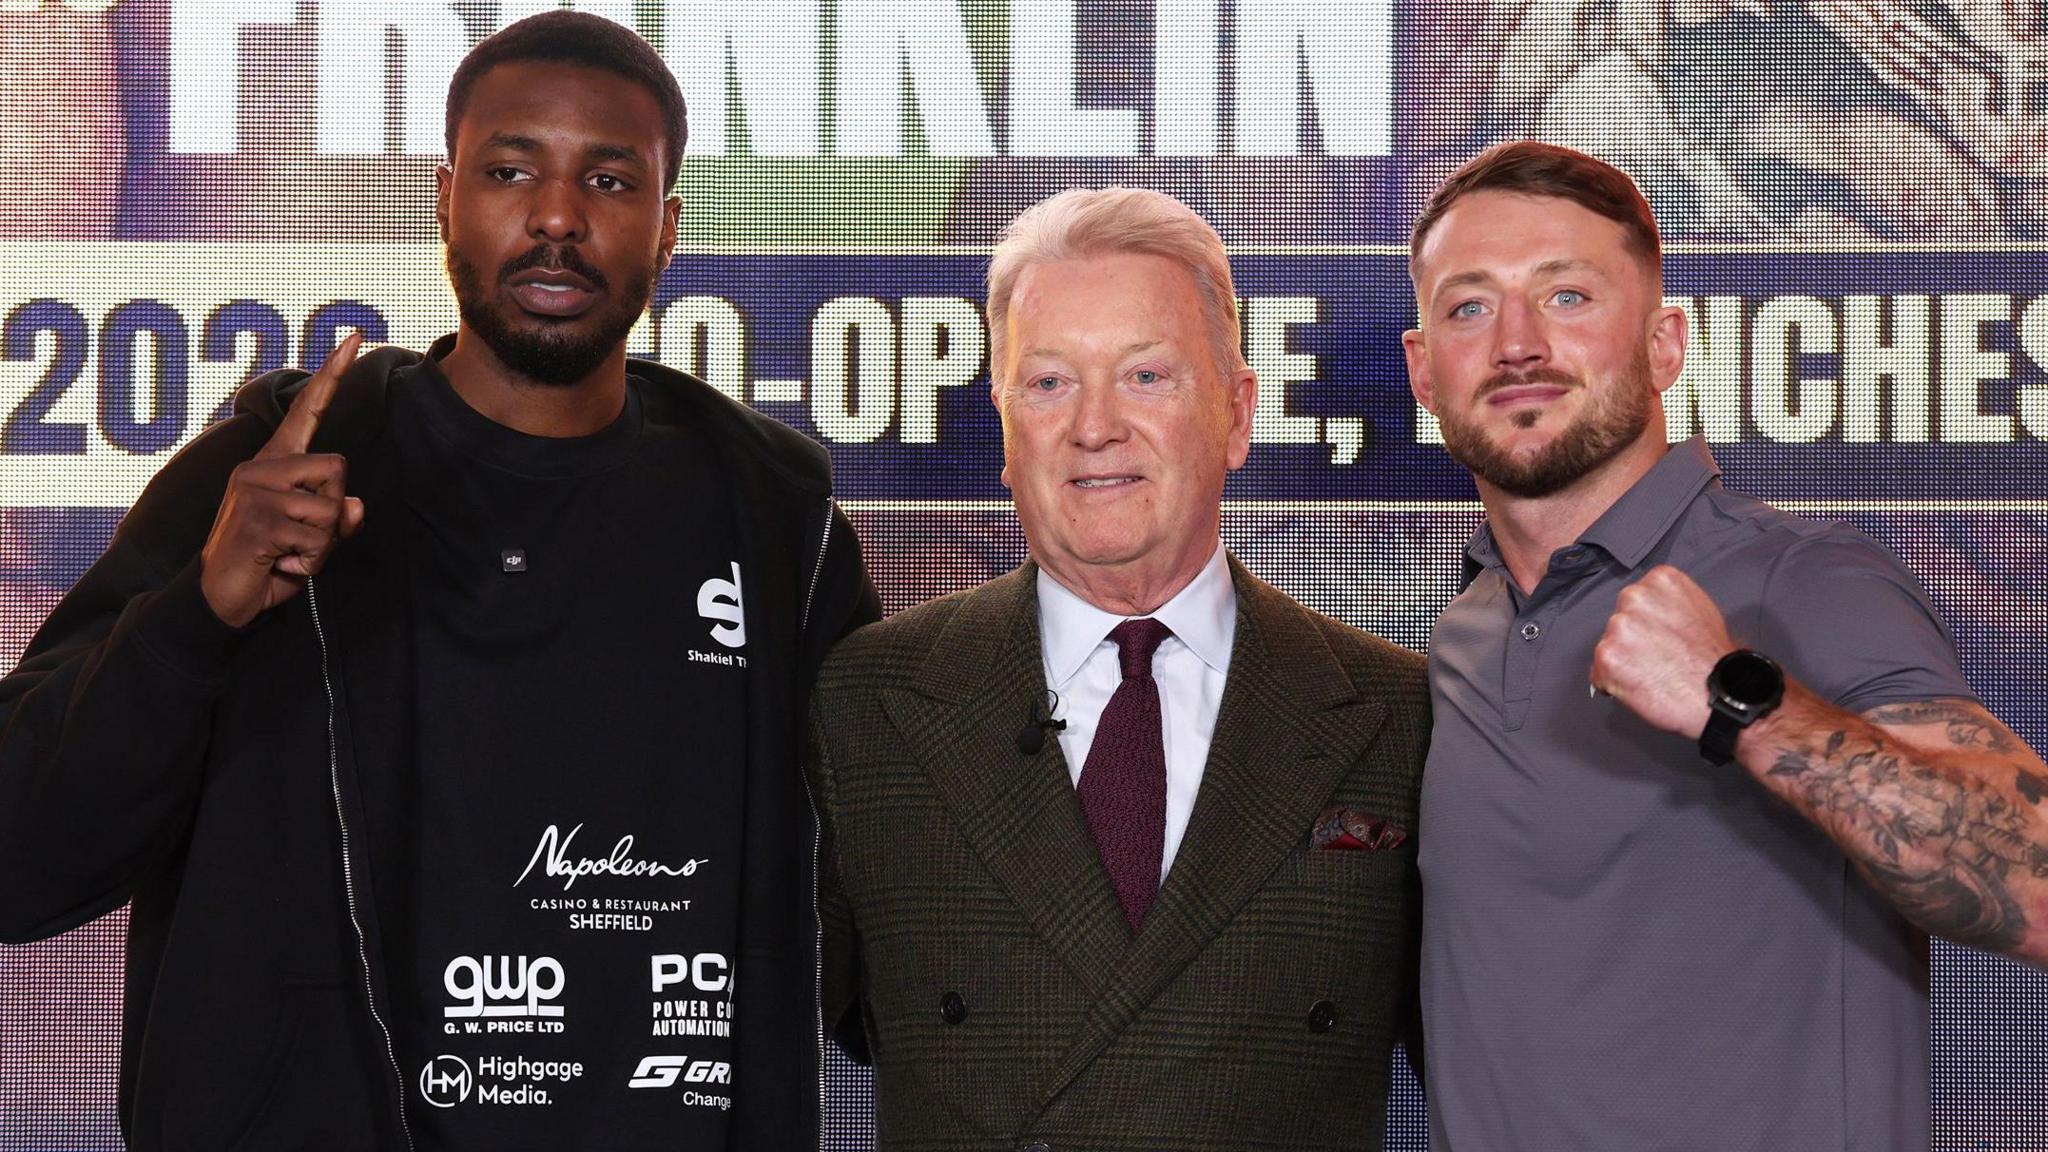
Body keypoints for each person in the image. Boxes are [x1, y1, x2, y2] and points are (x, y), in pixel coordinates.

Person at [0, 12, 876, 1150]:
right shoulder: (269, 475)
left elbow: (892, 914)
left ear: (667, 228)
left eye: (608, 181)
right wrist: (196, 616)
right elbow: (22, 857)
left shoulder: (773, 518)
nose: (556, 217)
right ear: (444, 199)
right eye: (511, 171)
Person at [1403, 139, 2048, 1152]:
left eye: (1567, 297)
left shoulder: (1803, 579)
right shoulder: (1458, 637)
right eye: (1469, 307)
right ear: (1422, 369)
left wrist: (1741, 701)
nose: (1517, 344)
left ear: (1664, 346)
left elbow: (2038, 886)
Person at [805, 186, 1429, 1151]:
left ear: (1237, 414)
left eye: (1145, 375)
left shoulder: (1398, 712)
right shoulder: (864, 706)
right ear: (1004, 429)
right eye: (1049, 383)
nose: (1094, 426)